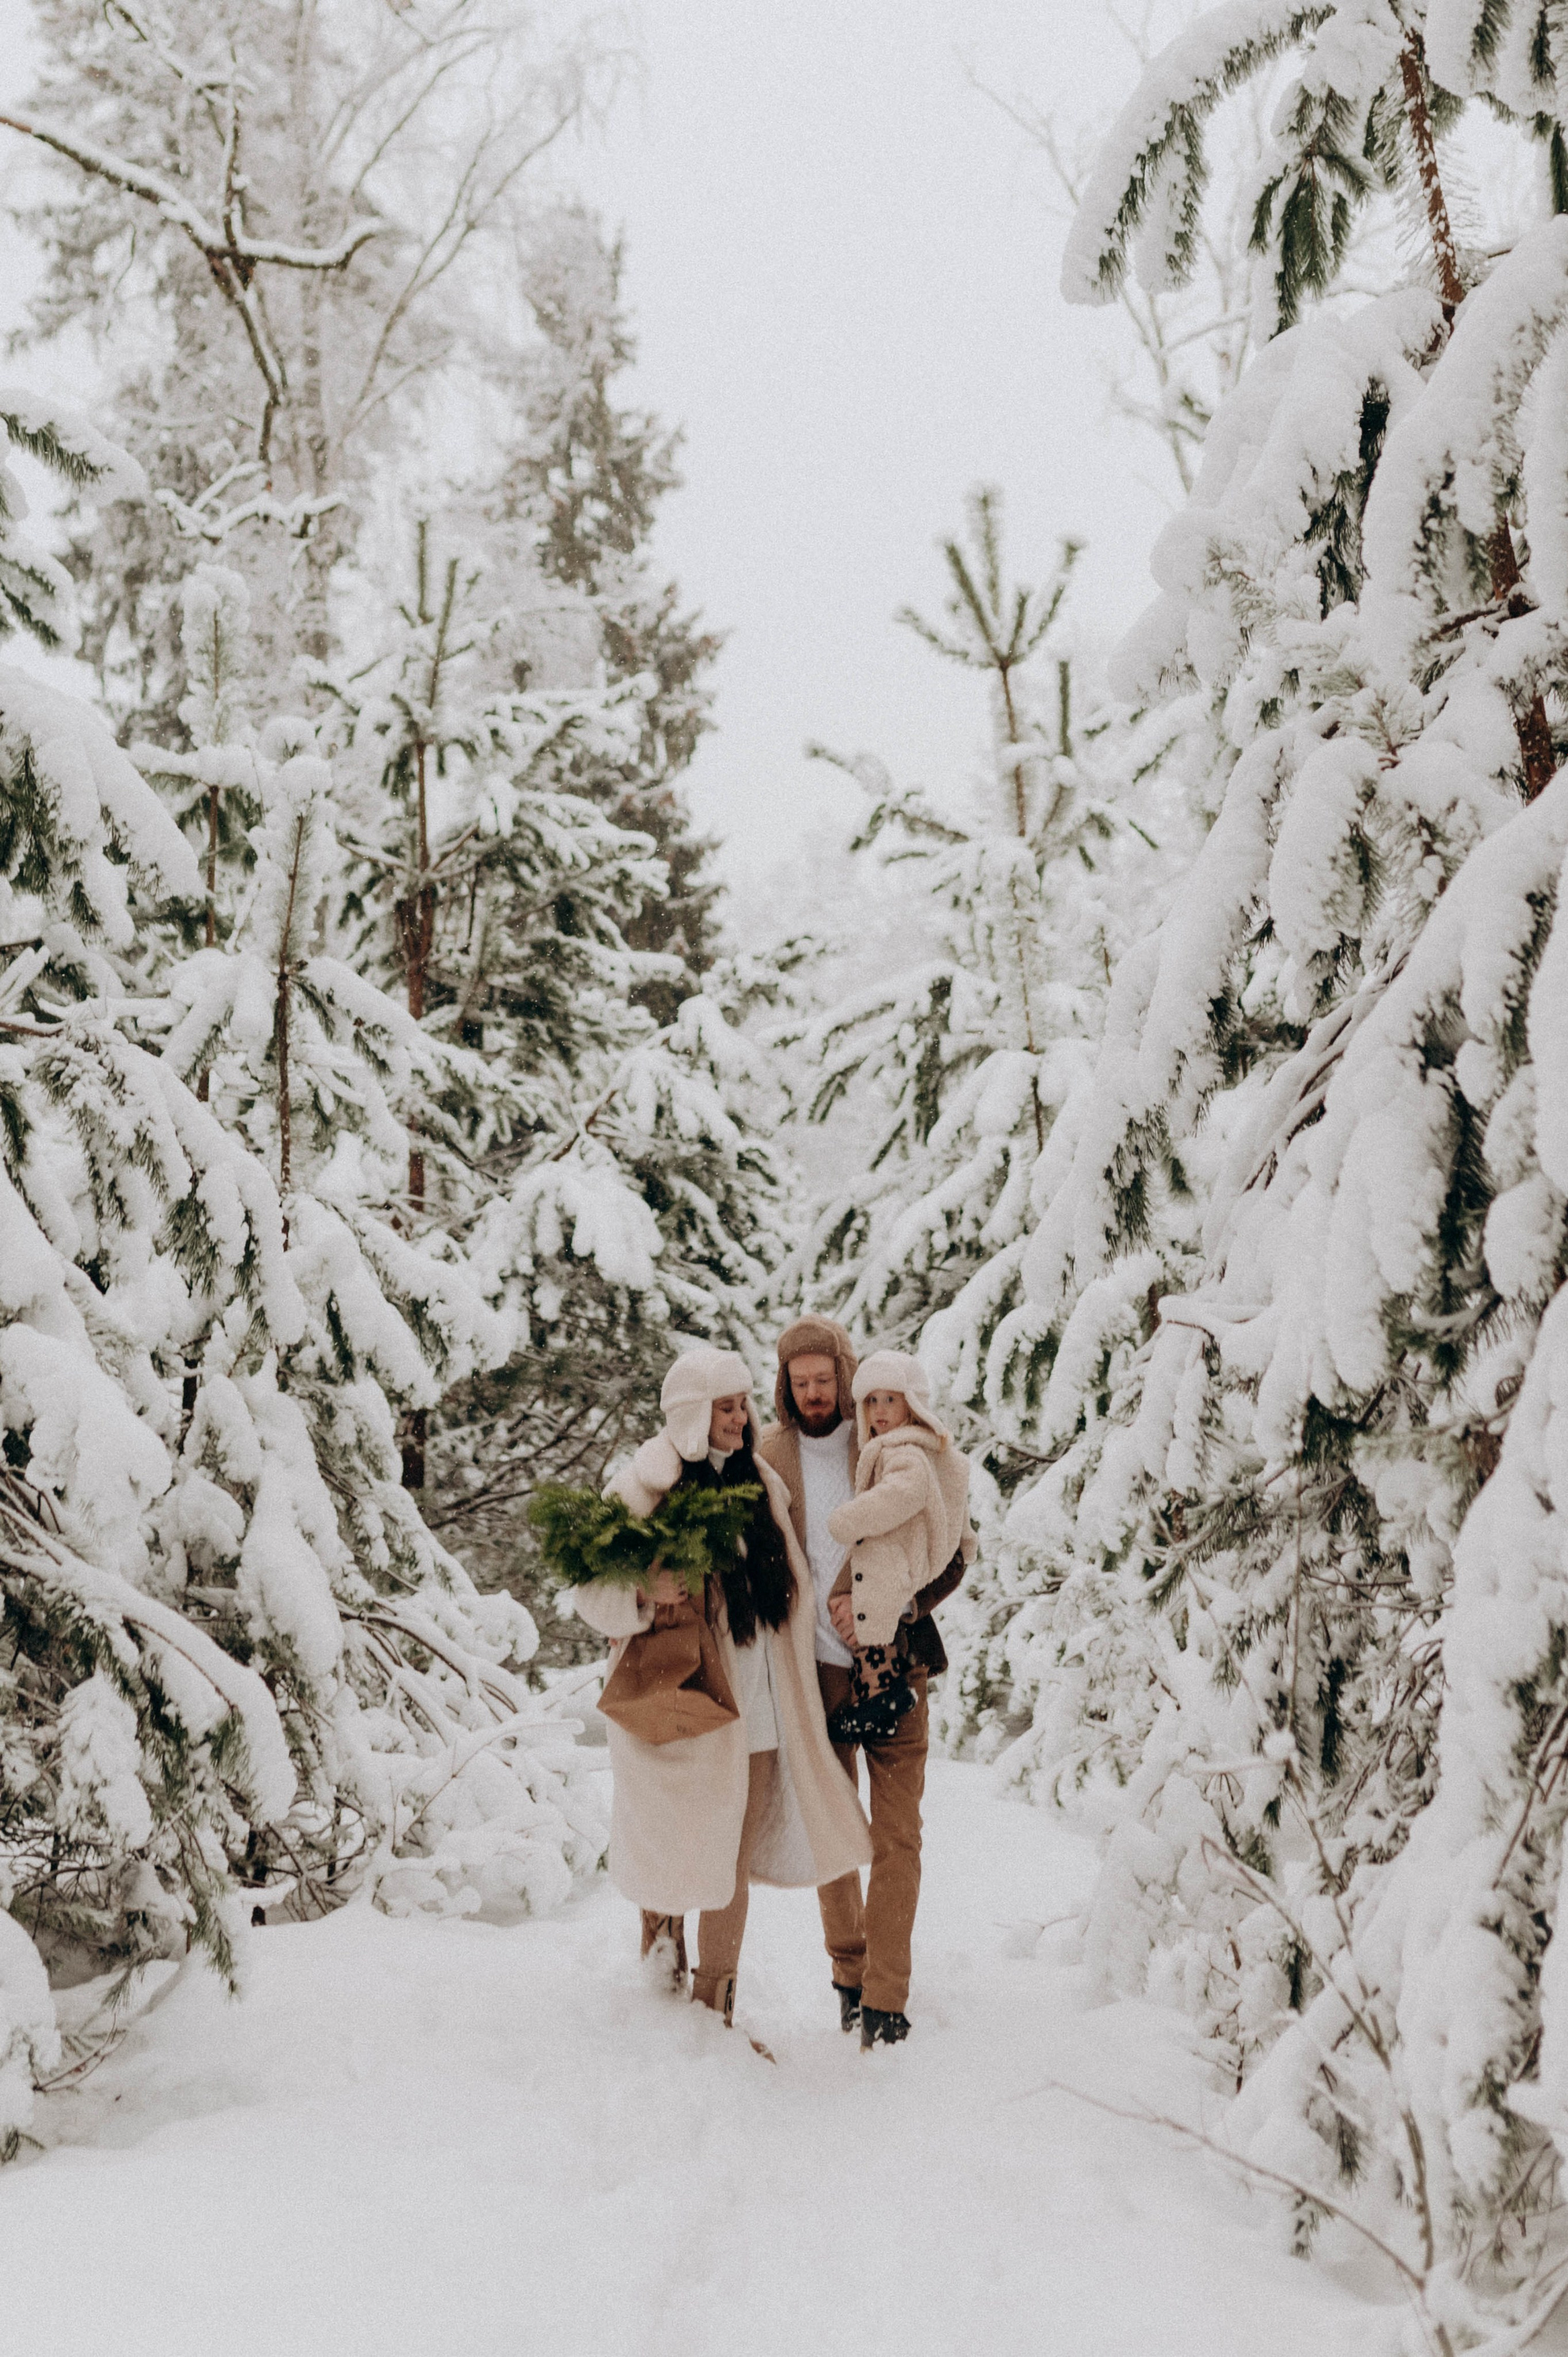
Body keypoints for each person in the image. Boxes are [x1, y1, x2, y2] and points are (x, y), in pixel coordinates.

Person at [569, 1345, 871, 2035]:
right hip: (683, 1709)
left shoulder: (760, 1480)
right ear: (692, 1414)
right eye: (726, 1406)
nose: (740, 1418)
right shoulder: (647, 1483)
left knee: (728, 1860)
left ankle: (713, 2009)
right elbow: (590, 1589)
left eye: (743, 1404)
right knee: (678, 1851)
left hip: (762, 1708)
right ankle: (659, 1986)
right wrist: (645, 1590)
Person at [756, 1320, 973, 2049]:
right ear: (785, 1385)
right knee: (829, 1827)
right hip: (812, 1672)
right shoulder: (770, 1454)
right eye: (801, 1381)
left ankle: (887, 1994)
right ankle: (848, 1973)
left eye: (825, 1378)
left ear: (846, 1376)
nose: (815, 1392)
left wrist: (900, 1606)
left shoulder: (886, 1433)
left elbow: (953, 1547)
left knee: (897, 1833)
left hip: (895, 1661)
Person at [824, 1352, 973, 1746]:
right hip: (905, 1560)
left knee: (872, 1609)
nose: (879, 1411)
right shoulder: (925, 1449)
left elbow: (902, 1495)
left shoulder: (903, 1451)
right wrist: (967, 1542)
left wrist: (851, 1519)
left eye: (891, 1399)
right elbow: (955, 1508)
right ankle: (881, 1704)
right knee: (874, 1619)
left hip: (897, 1559)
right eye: (871, 1401)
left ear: (914, 1402)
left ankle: (883, 1697)